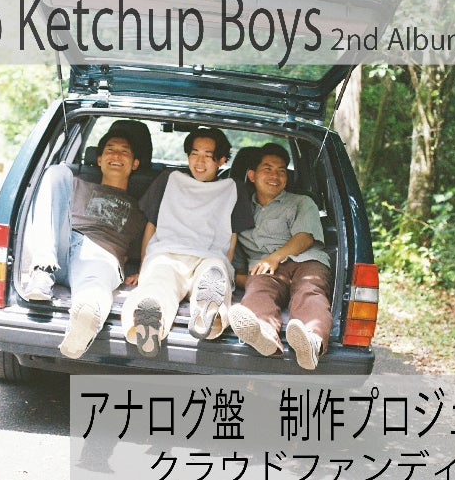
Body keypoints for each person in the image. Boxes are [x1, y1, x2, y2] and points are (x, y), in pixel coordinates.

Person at [121, 128, 254, 357]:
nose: (199, 162)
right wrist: (144, 268)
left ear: (222, 160)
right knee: (157, 282)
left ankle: (208, 314)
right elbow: (152, 225)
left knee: (213, 275)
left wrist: (227, 270)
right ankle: (150, 320)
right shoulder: (169, 179)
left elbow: (231, 236)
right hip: (167, 253)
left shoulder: (233, 188)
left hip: (209, 256)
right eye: (194, 154)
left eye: (208, 155)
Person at [23, 127, 147, 359]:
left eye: (124, 152)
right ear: (99, 159)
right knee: (57, 172)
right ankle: (42, 272)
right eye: (110, 150)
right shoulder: (75, 183)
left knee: (94, 291)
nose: (116, 155)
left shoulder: (140, 211)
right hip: (59, 247)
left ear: (135, 164)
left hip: (100, 253)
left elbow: (144, 248)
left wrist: (145, 269)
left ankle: (85, 321)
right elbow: (48, 212)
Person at [228, 143, 332, 370]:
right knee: (257, 292)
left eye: (281, 171)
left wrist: (275, 257)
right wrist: (242, 279)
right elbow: (234, 252)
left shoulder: (301, 202)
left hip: (306, 260)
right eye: (268, 169)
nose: (275, 176)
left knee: (309, 291)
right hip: (266, 270)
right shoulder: (239, 209)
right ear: (252, 175)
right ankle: (264, 335)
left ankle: (311, 342)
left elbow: (305, 237)